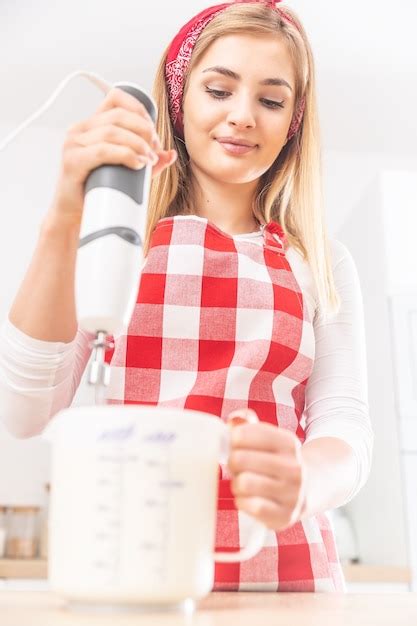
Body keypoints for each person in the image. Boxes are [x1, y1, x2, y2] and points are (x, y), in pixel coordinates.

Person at [0, 0, 373, 592]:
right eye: (219, 89)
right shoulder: (108, 237)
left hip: (284, 574)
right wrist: (63, 218)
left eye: (271, 100)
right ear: (179, 100)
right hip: (131, 568)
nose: (242, 116)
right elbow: (25, 413)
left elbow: (345, 427)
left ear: (293, 121)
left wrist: (305, 477)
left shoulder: (321, 261)